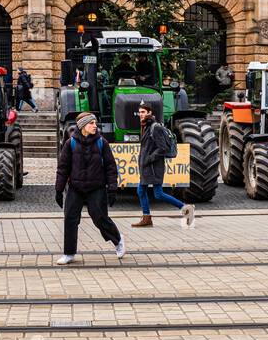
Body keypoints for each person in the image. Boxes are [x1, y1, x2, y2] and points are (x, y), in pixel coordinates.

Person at [55, 111, 124, 265]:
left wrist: (112, 188)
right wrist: (59, 190)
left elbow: (110, 167)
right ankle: (69, 253)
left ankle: (118, 240)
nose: (95, 126)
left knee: (100, 218)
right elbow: (63, 168)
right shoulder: (70, 143)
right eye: (91, 123)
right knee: (70, 219)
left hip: (96, 187)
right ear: (82, 126)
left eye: (95, 123)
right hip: (76, 187)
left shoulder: (102, 142)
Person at [130, 102, 195, 227]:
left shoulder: (155, 127)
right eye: (140, 112)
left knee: (158, 194)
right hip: (147, 167)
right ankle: (147, 217)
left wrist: (149, 158)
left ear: (150, 113)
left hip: (153, 167)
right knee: (141, 191)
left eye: (143, 112)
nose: (141, 115)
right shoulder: (145, 126)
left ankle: (186, 208)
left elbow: (163, 148)